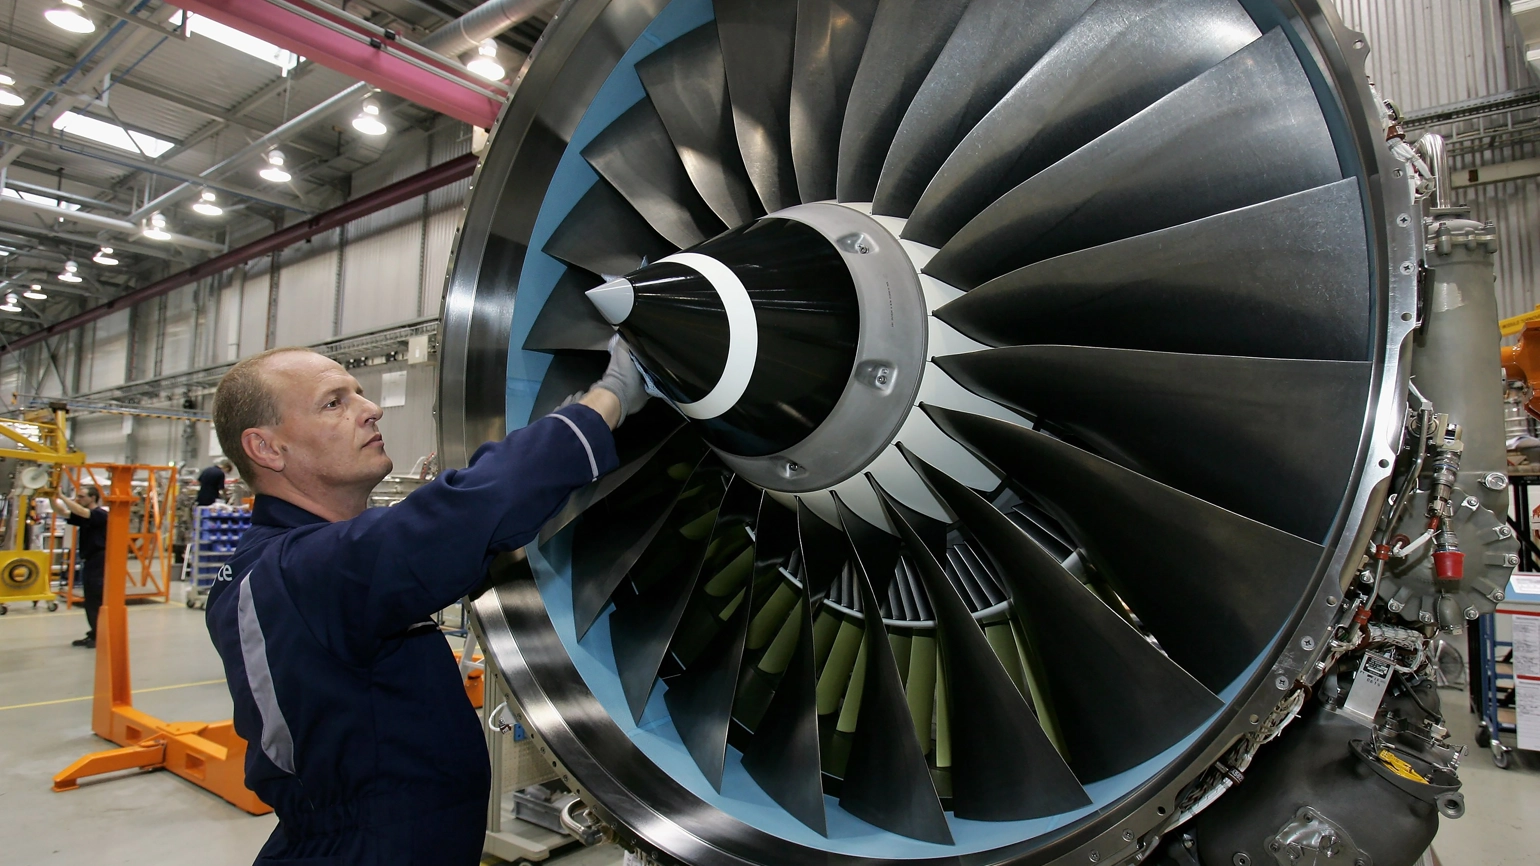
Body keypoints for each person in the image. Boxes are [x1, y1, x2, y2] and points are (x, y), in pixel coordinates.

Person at [205, 338, 647, 865]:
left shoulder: (290, 565)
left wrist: (547, 448)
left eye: (360, 393)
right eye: (334, 402)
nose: (371, 409)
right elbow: (458, 517)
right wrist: (607, 399)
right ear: (267, 449)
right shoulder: (295, 572)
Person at [54, 486, 107, 648]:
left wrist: (62, 496)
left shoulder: (100, 514)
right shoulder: (86, 516)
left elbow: (83, 512)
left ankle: (99, 636)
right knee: (90, 599)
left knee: (95, 599)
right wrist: (52, 497)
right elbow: (62, 512)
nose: (78, 499)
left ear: (93, 498)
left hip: (99, 560)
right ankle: (94, 633)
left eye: (82, 497)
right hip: (90, 559)